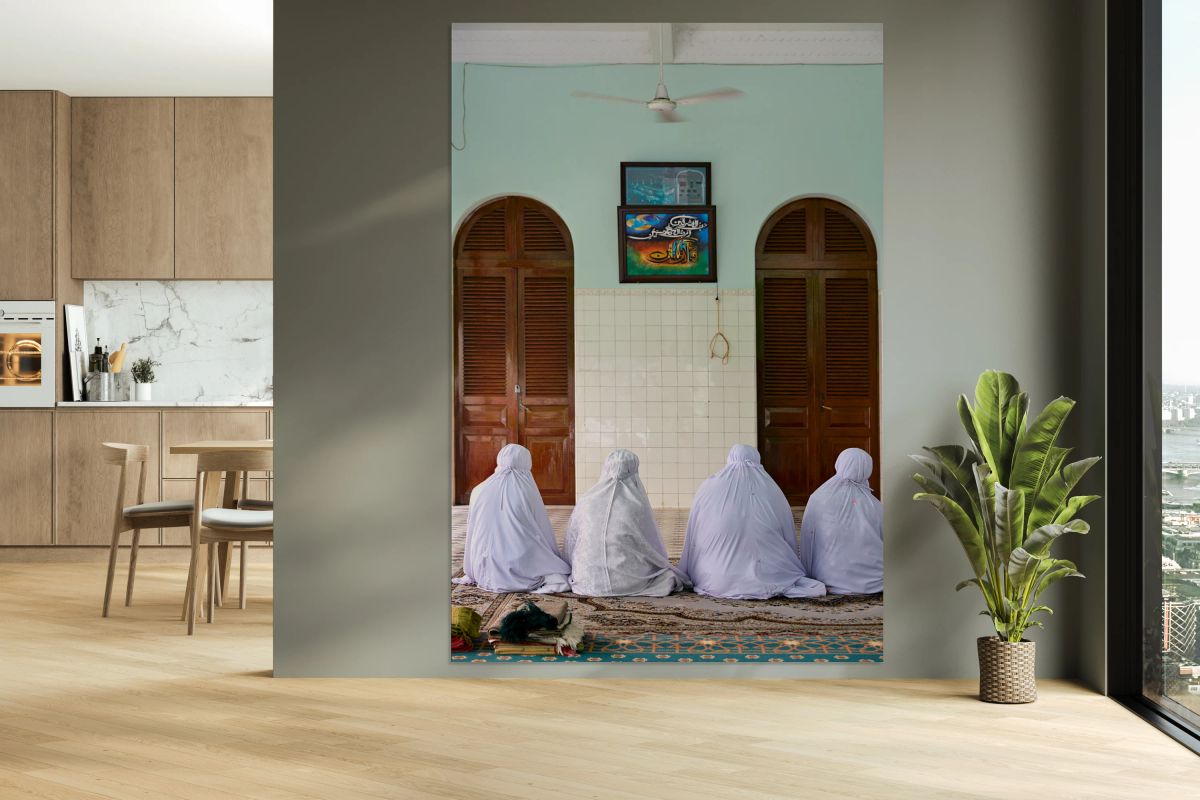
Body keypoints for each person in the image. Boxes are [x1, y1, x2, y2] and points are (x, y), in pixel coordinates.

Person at [678, 444, 825, 599]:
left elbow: (693, 533)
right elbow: (788, 534)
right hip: (772, 575)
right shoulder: (771, 488)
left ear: (730, 459)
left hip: (716, 579)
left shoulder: (710, 486)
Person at [565, 449, 689, 597]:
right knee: (665, 575)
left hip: (586, 581)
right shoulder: (635, 504)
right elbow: (651, 546)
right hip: (627, 583)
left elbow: (572, 540)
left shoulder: (587, 500)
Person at [453, 444, 570, 594]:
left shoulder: (478, 489)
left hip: (482, 568)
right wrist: (553, 555)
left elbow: (472, 532)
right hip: (518, 567)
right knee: (545, 558)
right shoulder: (526, 491)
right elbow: (543, 530)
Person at [799, 448, 884, 595]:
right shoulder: (874, 505)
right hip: (873, 582)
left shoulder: (819, 497)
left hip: (827, 578)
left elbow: (807, 539)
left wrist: (808, 572)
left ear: (839, 464)